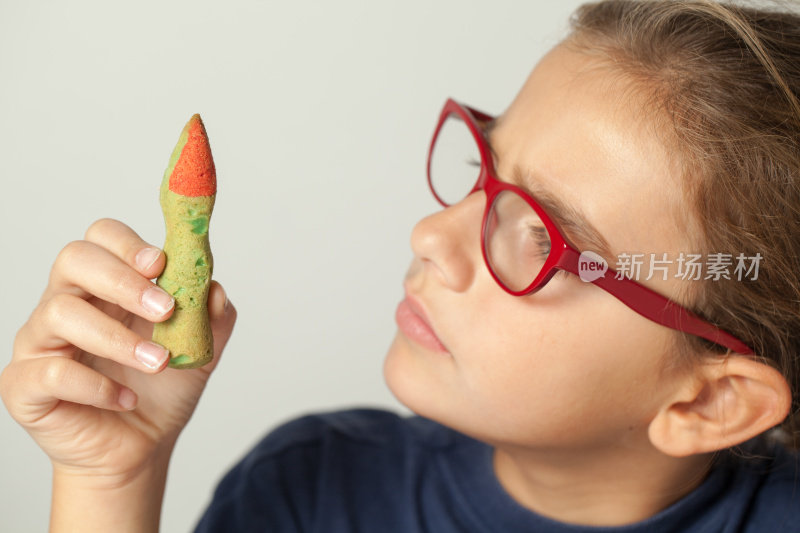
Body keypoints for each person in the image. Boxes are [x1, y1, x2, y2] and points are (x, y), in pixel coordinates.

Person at [3, 0, 800, 531]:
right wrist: (110, 477)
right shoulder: (310, 494)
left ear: (712, 400)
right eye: (479, 168)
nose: (430, 235)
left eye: (542, 239)